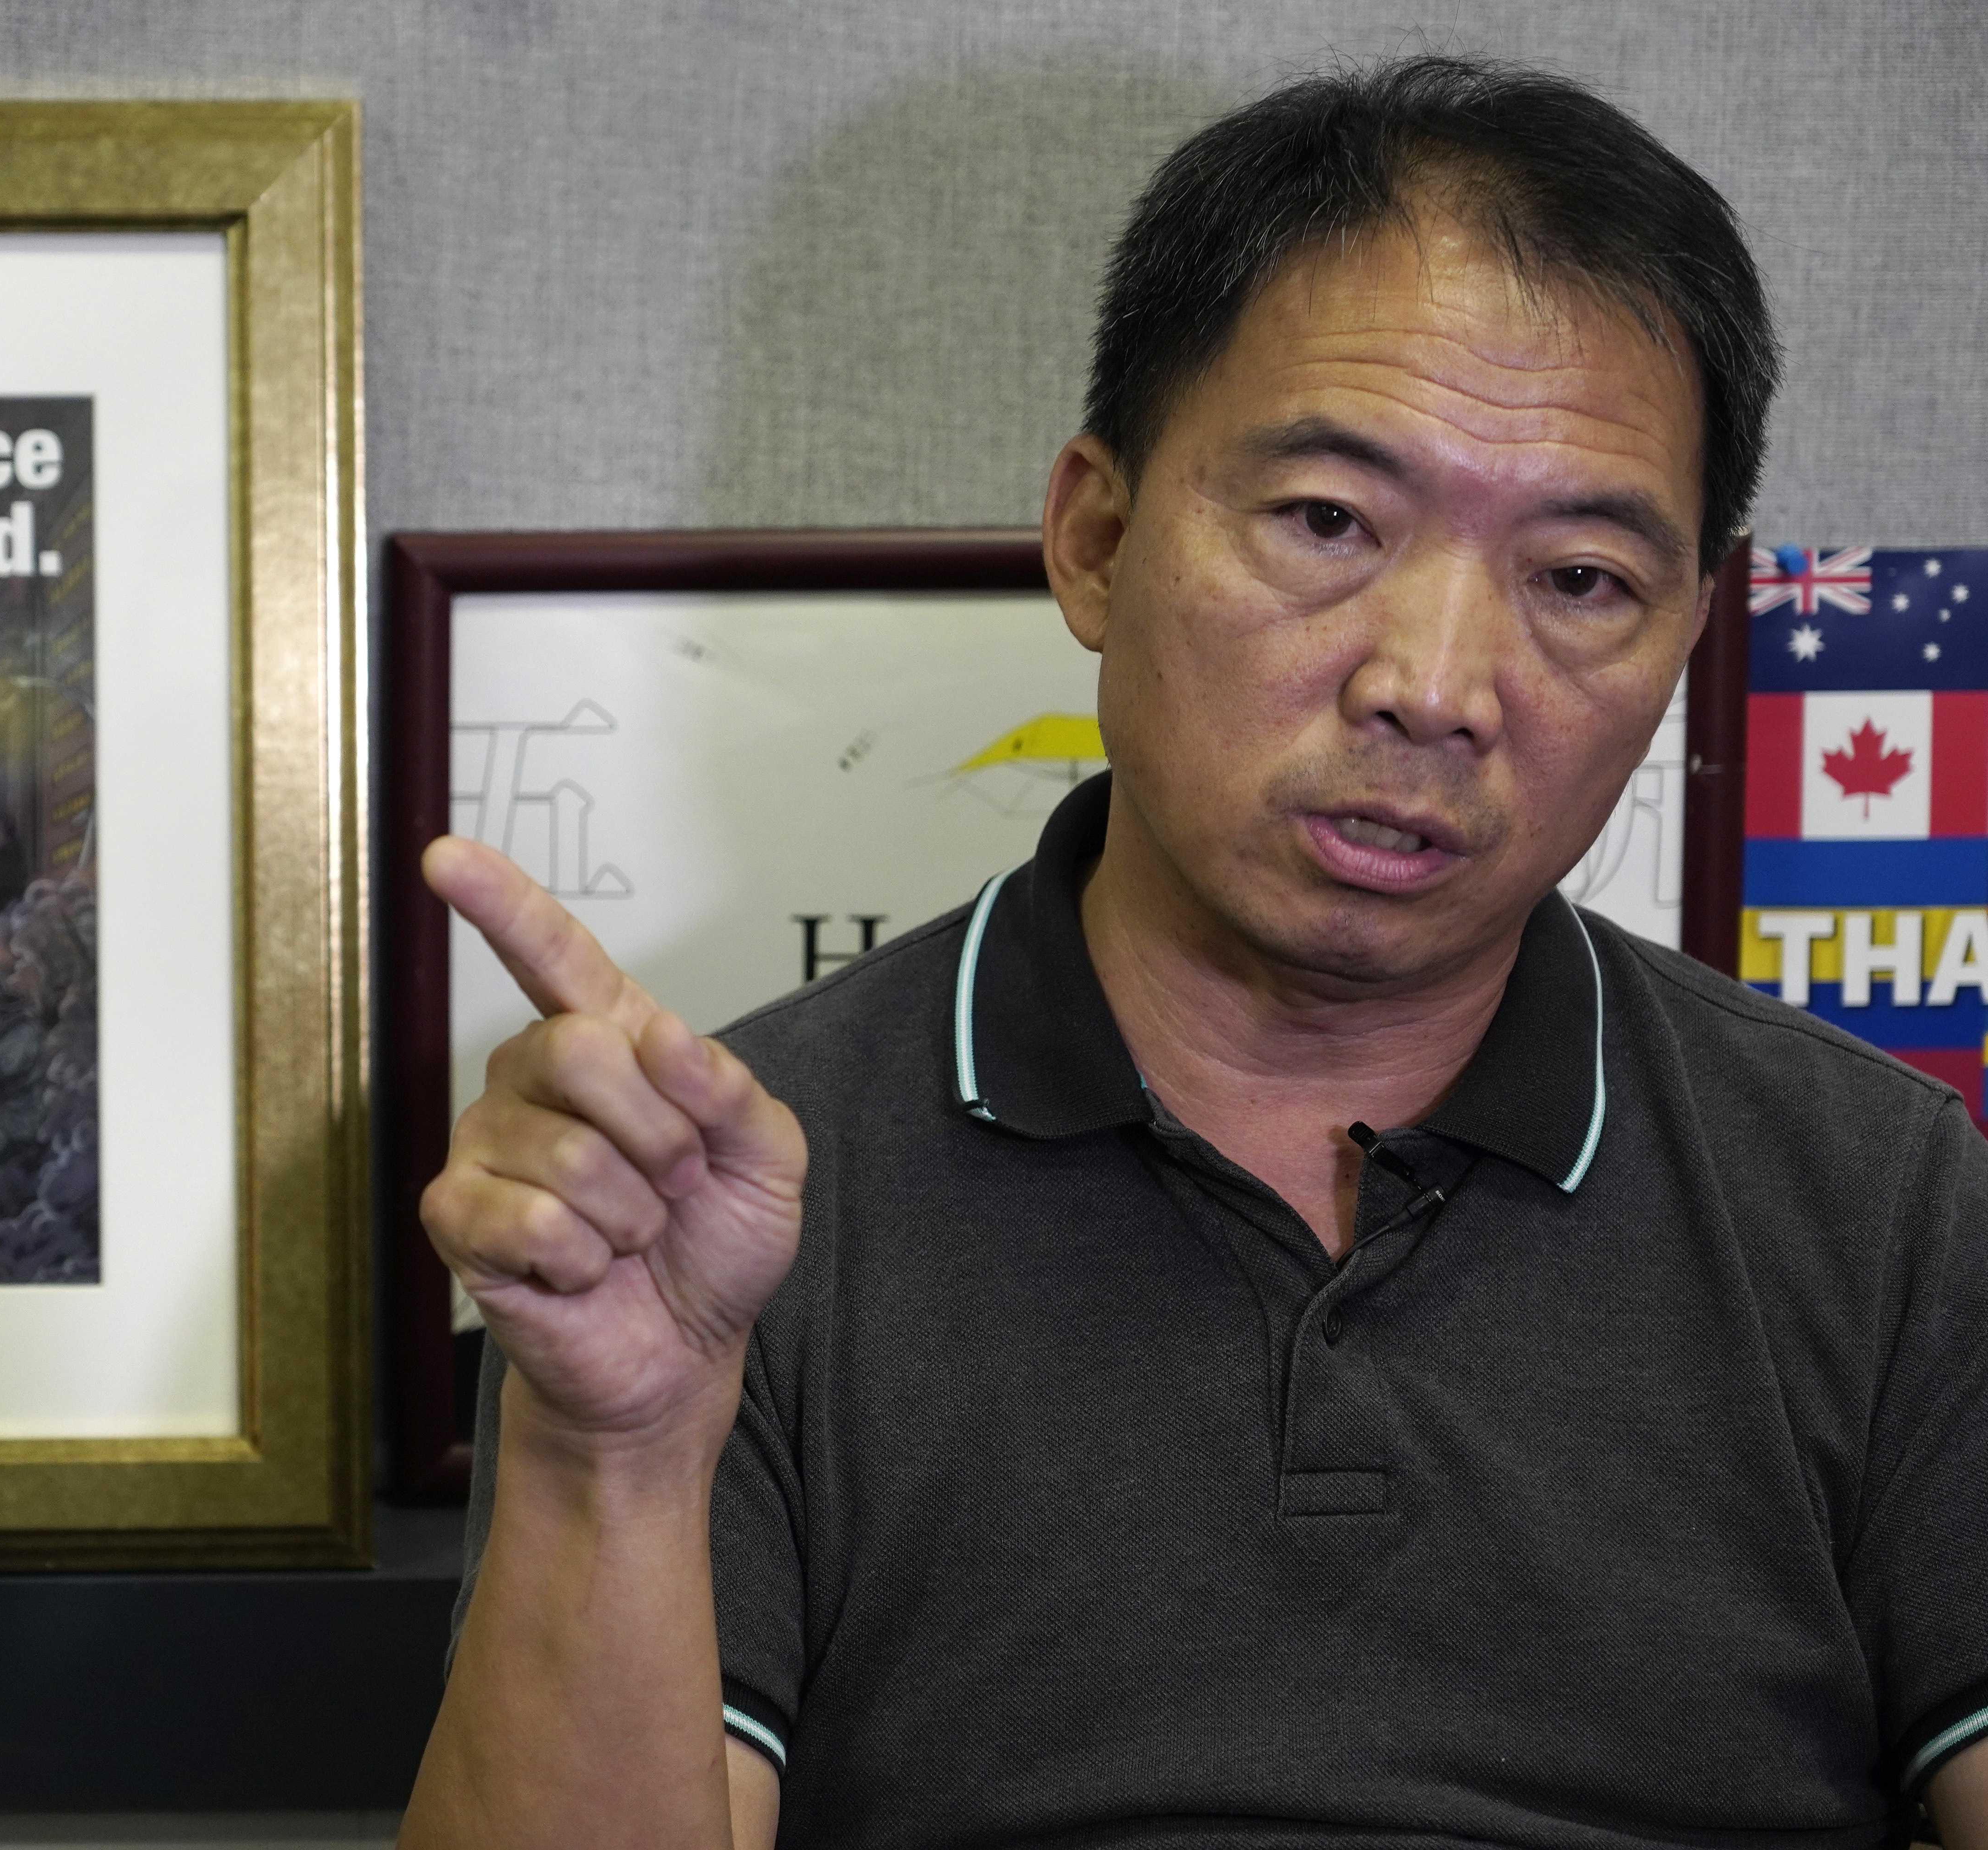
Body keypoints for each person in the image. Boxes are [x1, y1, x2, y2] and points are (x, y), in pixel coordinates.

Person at [400, 57, 1988, 1850]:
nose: (1437, 685)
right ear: (1094, 535)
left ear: (1694, 633)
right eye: (1328, 521)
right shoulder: (734, 1199)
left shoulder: (1882, 1201)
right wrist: (609, 1444)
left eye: (1582, 580)